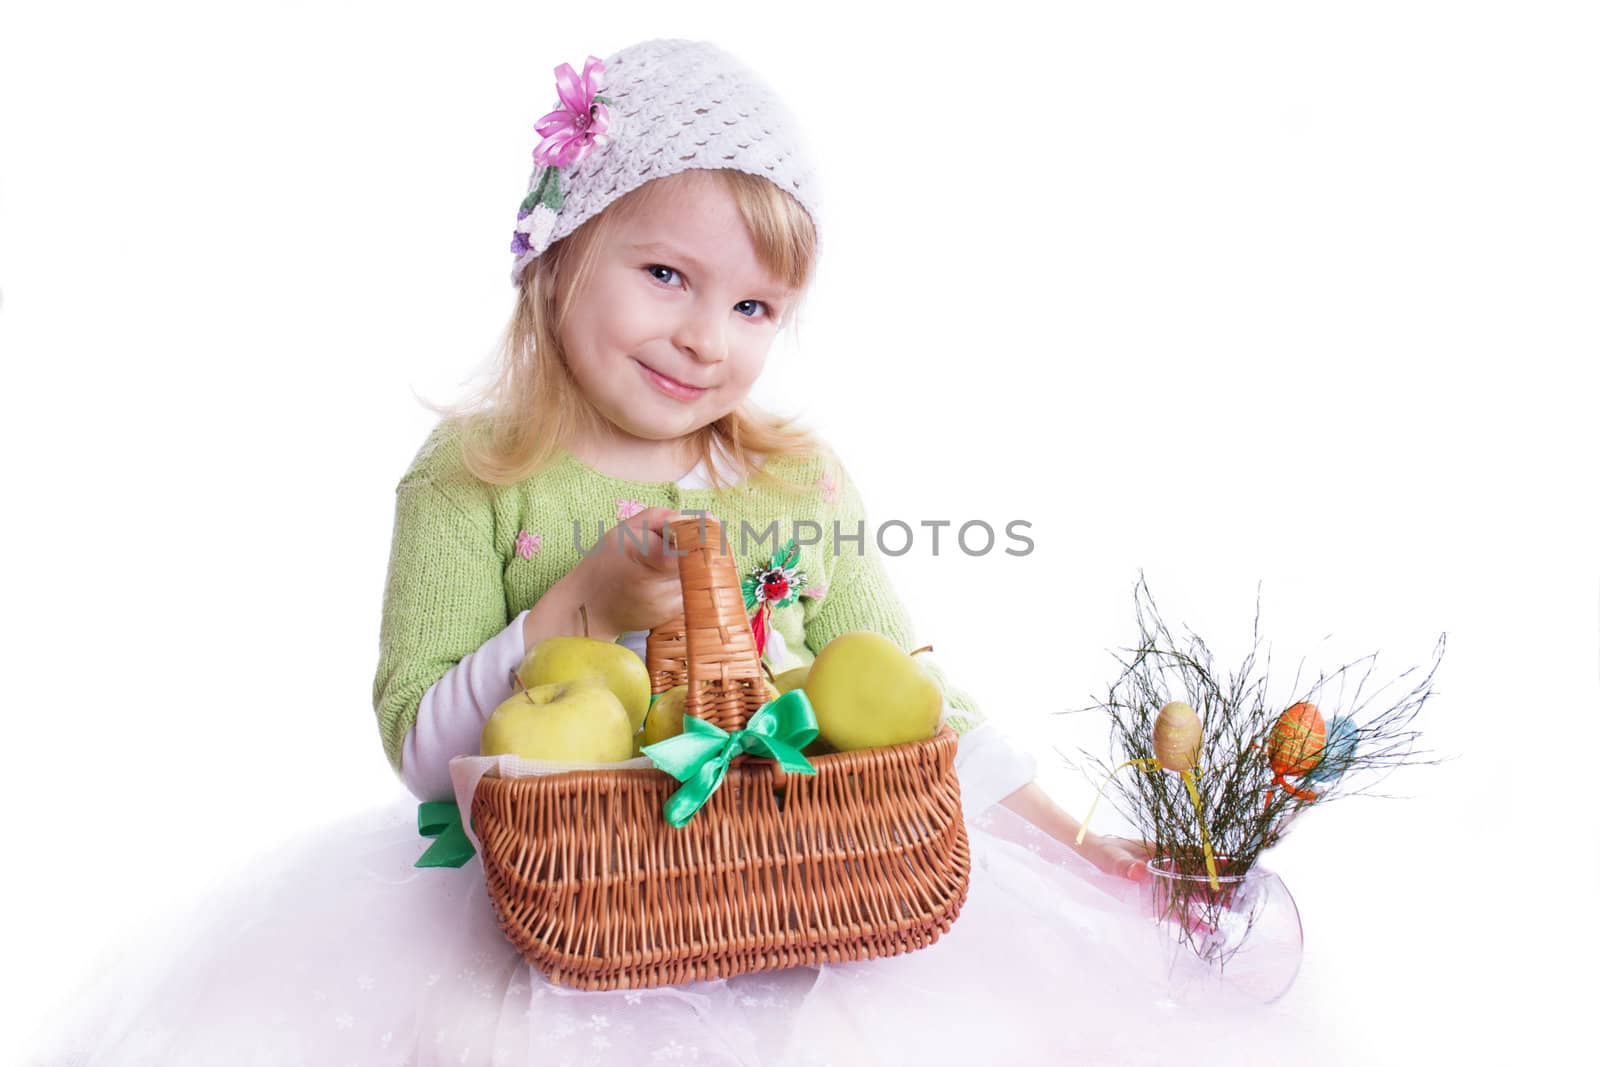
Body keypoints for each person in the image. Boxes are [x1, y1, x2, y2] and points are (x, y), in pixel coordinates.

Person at [28, 38, 1318, 1067]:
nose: (707, 336)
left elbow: (918, 704)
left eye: (755, 305)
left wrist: (1085, 852)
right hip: (557, 927)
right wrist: (579, 601)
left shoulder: (792, 481)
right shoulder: (477, 479)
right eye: (664, 273)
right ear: (561, 256)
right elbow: (419, 744)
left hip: (809, 906)